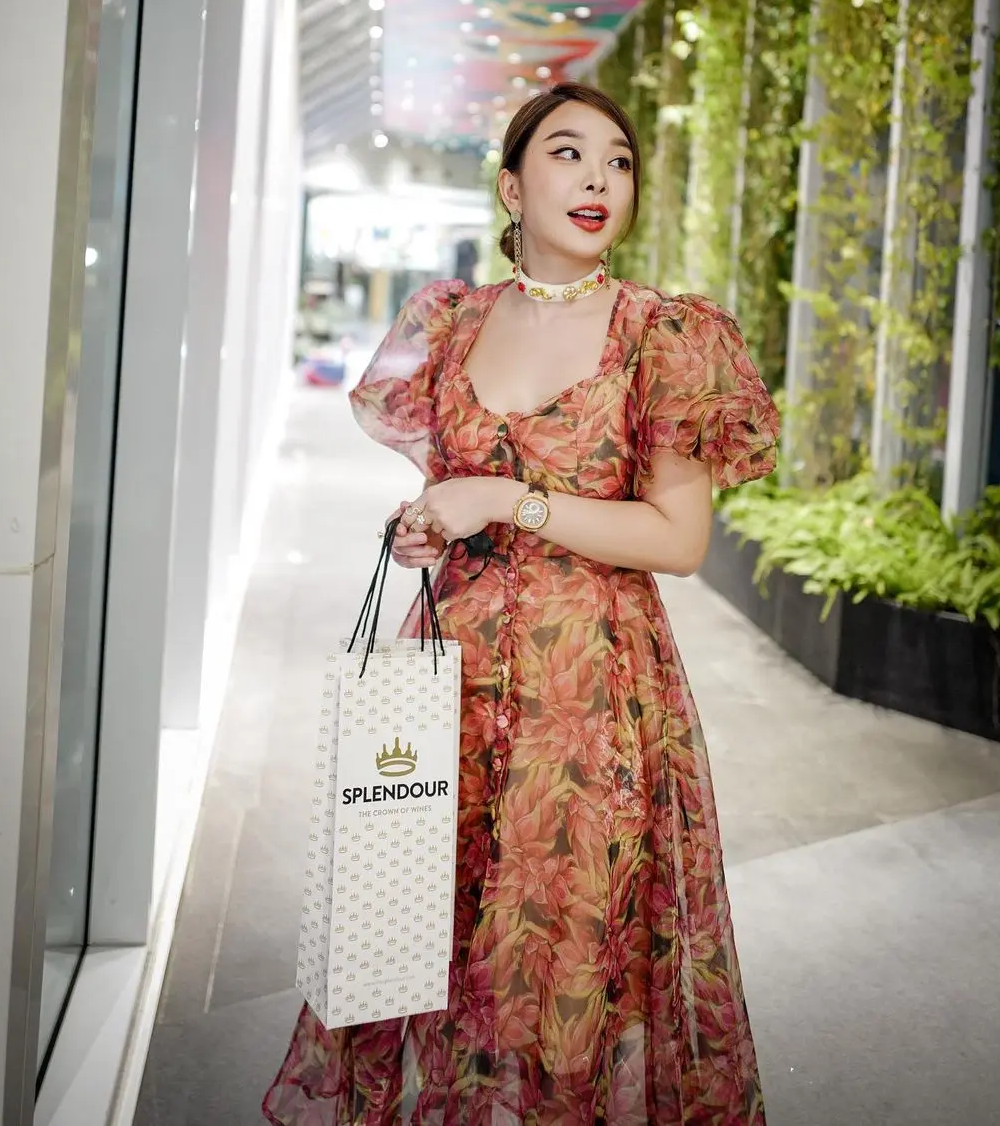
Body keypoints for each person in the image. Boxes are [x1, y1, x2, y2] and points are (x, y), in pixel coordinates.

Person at [263, 81, 779, 1125]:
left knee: (564, 969)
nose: (599, 177)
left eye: (619, 161)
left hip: (589, 704)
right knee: (433, 945)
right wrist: (425, 526)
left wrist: (506, 498)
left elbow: (678, 540)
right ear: (510, 186)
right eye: (569, 153)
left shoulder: (661, 334)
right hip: (449, 688)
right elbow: (450, 496)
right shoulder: (451, 324)